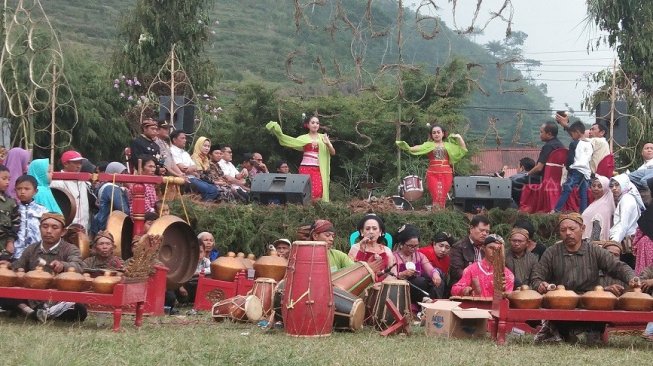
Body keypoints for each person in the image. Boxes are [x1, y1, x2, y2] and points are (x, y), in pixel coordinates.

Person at [531, 213, 635, 344]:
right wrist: (540, 284)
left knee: (599, 307)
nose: (568, 233)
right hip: (562, 303)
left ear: (583, 228)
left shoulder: (594, 250)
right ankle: (563, 333)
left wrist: (631, 278)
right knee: (560, 329)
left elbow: (618, 266)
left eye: (572, 229)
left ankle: (592, 333)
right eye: (563, 230)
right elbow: (536, 277)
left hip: (589, 302)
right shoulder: (552, 252)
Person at [0, 213, 87, 322]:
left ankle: (38, 313)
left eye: (54, 227)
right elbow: (18, 267)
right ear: (40, 228)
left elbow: (79, 265)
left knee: (79, 310)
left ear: (63, 232)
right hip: (32, 297)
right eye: (45, 226)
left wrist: (64, 265)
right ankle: (34, 313)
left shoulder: (70, 249)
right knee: (6, 295)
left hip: (58, 299)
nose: (48, 231)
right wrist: (8, 266)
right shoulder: (32, 249)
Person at [395, 124, 467, 209]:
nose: (436, 134)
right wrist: (407, 147)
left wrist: (459, 138)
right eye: (434, 133)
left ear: (443, 134)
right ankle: (436, 213)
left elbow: (463, 149)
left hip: (446, 173)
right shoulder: (428, 145)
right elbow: (418, 147)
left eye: (438, 132)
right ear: (431, 135)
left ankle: (440, 215)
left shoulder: (449, 145)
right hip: (433, 174)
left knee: (443, 196)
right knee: (436, 195)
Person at [266, 114, 336, 202]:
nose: (315, 125)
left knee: (318, 192)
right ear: (308, 125)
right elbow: (289, 141)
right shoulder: (303, 138)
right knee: (305, 191)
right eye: (313, 122)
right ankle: (307, 212)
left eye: (317, 123)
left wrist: (327, 143)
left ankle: (316, 212)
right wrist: (279, 134)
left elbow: (333, 152)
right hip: (305, 168)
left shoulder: (323, 137)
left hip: (318, 169)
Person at [511, 122, 564, 205]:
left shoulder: (548, 146)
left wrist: (527, 174)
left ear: (549, 134)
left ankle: (522, 206)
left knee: (514, 182)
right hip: (557, 180)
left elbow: (539, 167)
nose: (540, 134)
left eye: (541, 132)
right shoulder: (561, 146)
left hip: (542, 179)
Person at [393, 224, 445, 301]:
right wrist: (403, 274)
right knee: (419, 281)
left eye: (416, 246)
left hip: (420, 288)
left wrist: (435, 274)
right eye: (410, 246)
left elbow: (430, 269)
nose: (414, 249)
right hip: (403, 290)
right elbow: (391, 277)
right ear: (401, 244)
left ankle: (433, 303)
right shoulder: (394, 257)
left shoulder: (419, 256)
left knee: (438, 280)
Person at [553, 121, 592, 213]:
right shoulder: (590, 144)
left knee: (567, 189)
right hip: (586, 172)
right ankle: (583, 212)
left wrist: (568, 168)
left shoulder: (574, 143)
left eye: (572, 133)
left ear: (577, 132)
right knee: (583, 193)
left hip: (576, 169)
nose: (572, 136)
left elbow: (570, 159)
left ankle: (557, 209)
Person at [169, 130, 219, 202]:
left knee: (214, 189)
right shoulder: (172, 151)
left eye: (185, 138)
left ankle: (202, 206)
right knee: (211, 191)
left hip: (193, 177)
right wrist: (190, 170)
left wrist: (189, 169)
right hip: (185, 179)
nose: (185, 140)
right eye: (182, 138)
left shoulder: (185, 153)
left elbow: (194, 167)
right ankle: (202, 207)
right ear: (174, 140)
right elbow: (182, 168)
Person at [50, 150, 92, 229]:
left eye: (80, 163)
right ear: (65, 164)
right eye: (75, 162)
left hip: (83, 226)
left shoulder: (83, 181)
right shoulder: (57, 182)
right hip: (66, 226)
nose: (79, 166)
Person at [348, 213, 396, 280]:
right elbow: (351, 273)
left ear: (380, 232)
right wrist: (361, 250)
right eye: (367, 229)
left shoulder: (386, 250)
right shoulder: (355, 248)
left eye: (374, 229)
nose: (371, 232)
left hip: (382, 286)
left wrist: (383, 285)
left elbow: (392, 273)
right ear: (362, 232)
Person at [13, 175, 48, 260]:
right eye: (19, 189)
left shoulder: (42, 210)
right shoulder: (13, 209)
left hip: (36, 254)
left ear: (35, 191)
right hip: (16, 253)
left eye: (27, 189)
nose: (22, 192)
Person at [90, 162, 130, 236]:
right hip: (107, 226)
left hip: (101, 223)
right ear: (115, 173)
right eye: (122, 173)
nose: (125, 176)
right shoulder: (111, 187)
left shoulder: (104, 185)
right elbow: (124, 210)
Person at [449, 215, 491, 285]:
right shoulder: (458, 247)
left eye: (487, 231)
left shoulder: (488, 248)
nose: (484, 234)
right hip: (463, 286)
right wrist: (477, 279)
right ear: (471, 229)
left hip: (485, 286)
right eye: (481, 230)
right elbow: (456, 272)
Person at [609, 174, 644, 246]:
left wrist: (614, 243)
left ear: (623, 185)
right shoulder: (625, 198)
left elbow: (623, 224)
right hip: (627, 239)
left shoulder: (627, 200)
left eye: (617, 185)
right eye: (611, 186)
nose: (614, 188)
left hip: (627, 241)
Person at [581, 175, 615, 241]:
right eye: (593, 186)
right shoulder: (597, 202)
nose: (595, 188)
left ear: (605, 189)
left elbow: (598, 230)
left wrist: (591, 245)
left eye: (599, 186)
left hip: (591, 244)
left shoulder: (604, 206)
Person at [633, 177, 653, 275]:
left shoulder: (648, 214)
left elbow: (638, 235)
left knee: (644, 281)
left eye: (648, 191)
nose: (645, 194)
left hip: (646, 250)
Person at [0, 165, 18, 261]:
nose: (7, 182)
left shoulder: (11, 203)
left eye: (9, 179)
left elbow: (15, 224)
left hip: (3, 249)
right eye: (4, 178)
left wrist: (10, 242)